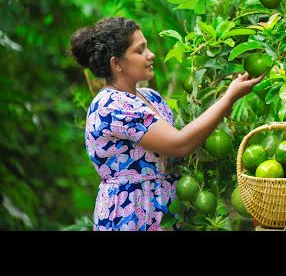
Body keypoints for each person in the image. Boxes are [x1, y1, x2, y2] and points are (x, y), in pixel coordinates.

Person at [70, 16, 264, 231]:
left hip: (163, 211)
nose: (150, 54)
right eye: (140, 50)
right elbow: (179, 144)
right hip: (132, 213)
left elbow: (186, 138)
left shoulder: (150, 97)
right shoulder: (112, 106)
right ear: (117, 64)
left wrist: (222, 94)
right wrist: (229, 97)